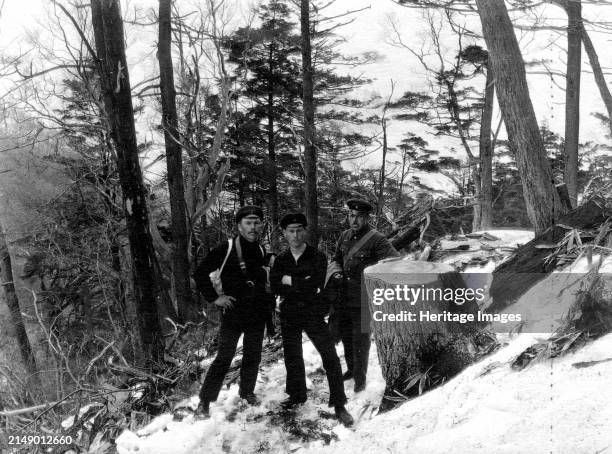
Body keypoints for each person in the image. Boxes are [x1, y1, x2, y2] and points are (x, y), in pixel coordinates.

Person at [270, 213, 354, 426]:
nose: (295, 235)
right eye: (291, 231)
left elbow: (315, 283)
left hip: (312, 311)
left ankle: (339, 403)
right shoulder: (281, 259)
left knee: (330, 356)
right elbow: (275, 286)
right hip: (289, 312)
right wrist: (300, 282)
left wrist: (290, 281)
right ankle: (297, 395)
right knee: (292, 356)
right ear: (284, 233)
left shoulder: (316, 257)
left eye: (299, 229)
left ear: (305, 231)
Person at [193, 205, 271, 418]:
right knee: (224, 357)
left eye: (257, 222)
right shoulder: (226, 248)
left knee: (253, 355)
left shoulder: (261, 250)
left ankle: (247, 393)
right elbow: (200, 273)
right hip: (233, 312)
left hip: (256, 312)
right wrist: (216, 298)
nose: (253, 227)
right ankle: (205, 402)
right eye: (248, 223)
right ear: (239, 225)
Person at [332, 199, 399, 393]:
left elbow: (393, 261)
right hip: (343, 297)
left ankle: (360, 380)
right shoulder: (344, 236)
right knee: (346, 337)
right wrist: (336, 271)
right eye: (351, 216)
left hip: (364, 298)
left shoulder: (377, 239)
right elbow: (336, 259)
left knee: (360, 340)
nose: (354, 220)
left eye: (359, 217)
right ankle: (352, 370)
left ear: (367, 218)